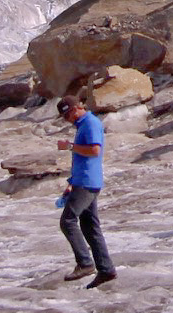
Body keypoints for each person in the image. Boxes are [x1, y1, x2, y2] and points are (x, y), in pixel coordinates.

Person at [54, 95, 116, 288]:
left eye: (66, 116)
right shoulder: (84, 124)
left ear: (74, 109)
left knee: (68, 221)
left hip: (87, 182)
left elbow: (94, 150)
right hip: (84, 181)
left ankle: (85, 263)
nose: (67, 120)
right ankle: (106, 270)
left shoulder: (89, 123)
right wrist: (72, 182)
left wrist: (70, 147)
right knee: (90, 226)